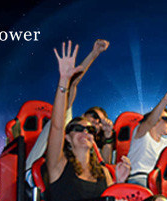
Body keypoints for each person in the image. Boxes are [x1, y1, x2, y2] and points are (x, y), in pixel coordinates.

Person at [44, 41, 130, 201]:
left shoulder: (103, 171)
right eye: (78, 129)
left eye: (90, 130)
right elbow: (56, 126)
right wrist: (64, 80)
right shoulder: (58, 163)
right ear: (68, 138)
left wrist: (119, 183)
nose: (85, 132)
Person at [25, 39, 111, 183]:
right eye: (94, 115)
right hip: (38, 174)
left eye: (99, 122)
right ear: (83, 115)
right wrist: (94, 53)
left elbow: (105, 166)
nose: (96, 121)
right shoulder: (65, 119)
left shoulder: (89, 145)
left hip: (71, 179)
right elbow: (72, 84)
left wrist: (108, 137)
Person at [126, 90, 167, 186]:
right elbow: (150, 122)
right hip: (139, 179)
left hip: (158, 182)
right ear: (156, 120)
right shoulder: (141, 134)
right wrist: (165, 101)